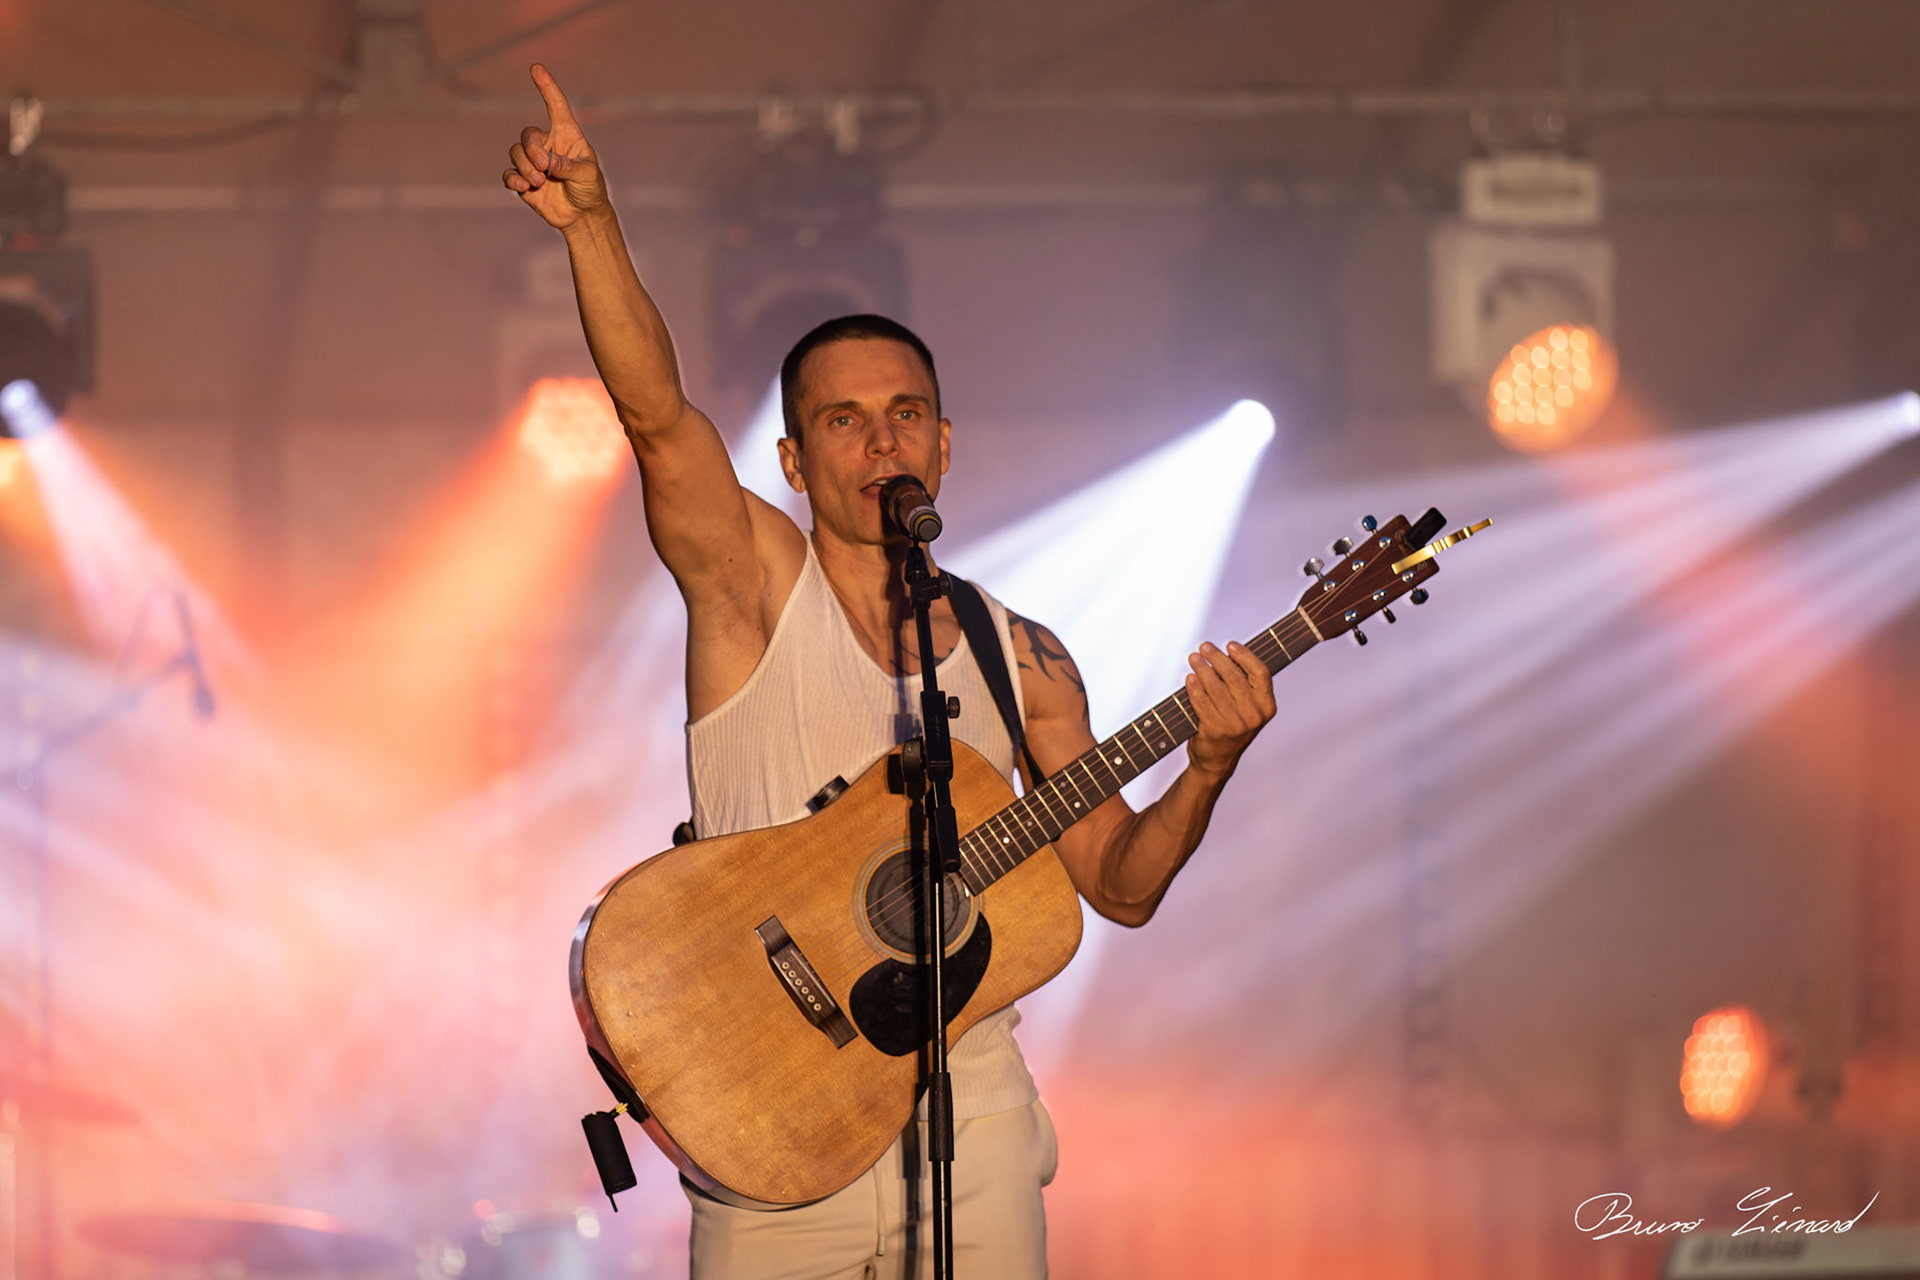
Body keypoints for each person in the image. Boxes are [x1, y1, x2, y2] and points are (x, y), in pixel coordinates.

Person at [504, 63, 1277, 1280]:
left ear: (947, 442)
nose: (882, 442)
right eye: (845, 421)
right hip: (771, 1114)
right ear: (796, 459)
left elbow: (1119, 885)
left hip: (973, 1118)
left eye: (908, 414)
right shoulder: (751, 581)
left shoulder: (1021, 651)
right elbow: (655, 416)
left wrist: (1210, 764)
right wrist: (593, 221)